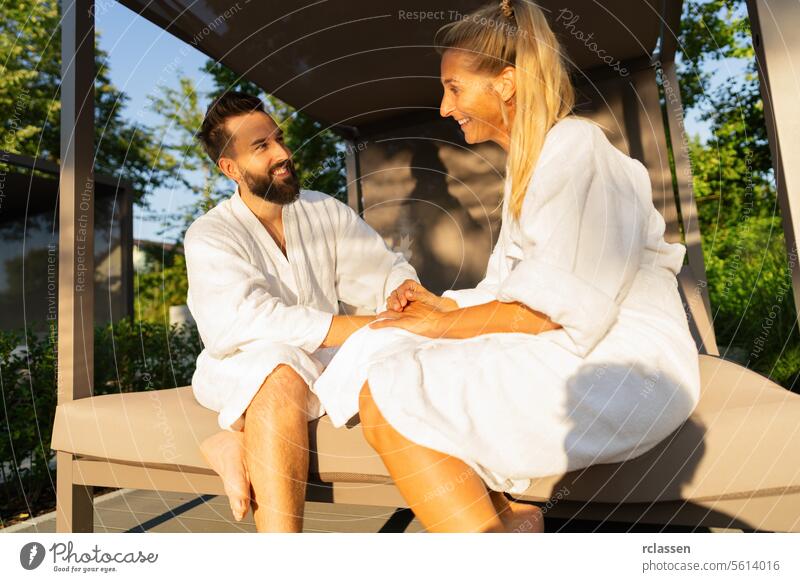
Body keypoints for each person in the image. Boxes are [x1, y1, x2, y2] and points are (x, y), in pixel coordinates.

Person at [311, 0, 701, 533]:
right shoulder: (533, 166)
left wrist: (445, 324)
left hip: (620, 363)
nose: (445, 107)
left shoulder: (575, 148)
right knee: (386, 344)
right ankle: (512, 521)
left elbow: (558, 307)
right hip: (571, 341)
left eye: (454, 87)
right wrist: (440, 306)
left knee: (391, 388)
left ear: (507, 83)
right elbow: (509, 289)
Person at [185, 92, 418, 532]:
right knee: (279, 368)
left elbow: (380, 270)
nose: (282, 154)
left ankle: (231, 438)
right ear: (230, 169)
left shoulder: (322, 210)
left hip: (323, 361)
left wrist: (399, 293)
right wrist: (357, 325)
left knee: (411, 344)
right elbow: (243, 320)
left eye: (278, 139)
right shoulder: (209, 234)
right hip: (239, 368)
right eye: (262, 147)